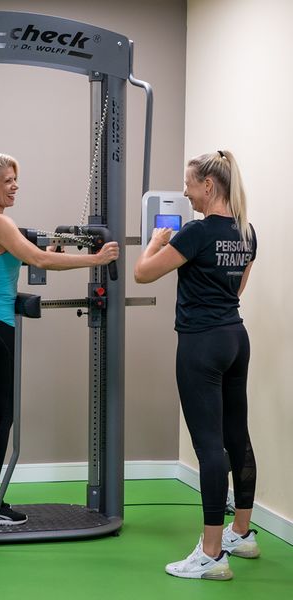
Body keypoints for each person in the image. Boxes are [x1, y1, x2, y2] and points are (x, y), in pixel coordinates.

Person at [0, 152, 119, 526]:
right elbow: (40, 262)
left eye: (15, 179)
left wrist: (48, 252)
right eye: (8, 180)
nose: (15, 186)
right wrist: (97, 259)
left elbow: (25, 257)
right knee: (1, 417)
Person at [134, 150, 259, 580]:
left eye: (188, 184)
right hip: (235, 338)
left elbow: (143, 274)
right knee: (237, 437)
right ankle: (241, 534)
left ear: (208, 185)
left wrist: (155, 242)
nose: (185, 192)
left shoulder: (196, 233)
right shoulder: (247, 231)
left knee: (208, 447)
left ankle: (211, 554)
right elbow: (237, 290)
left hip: (201, 344)